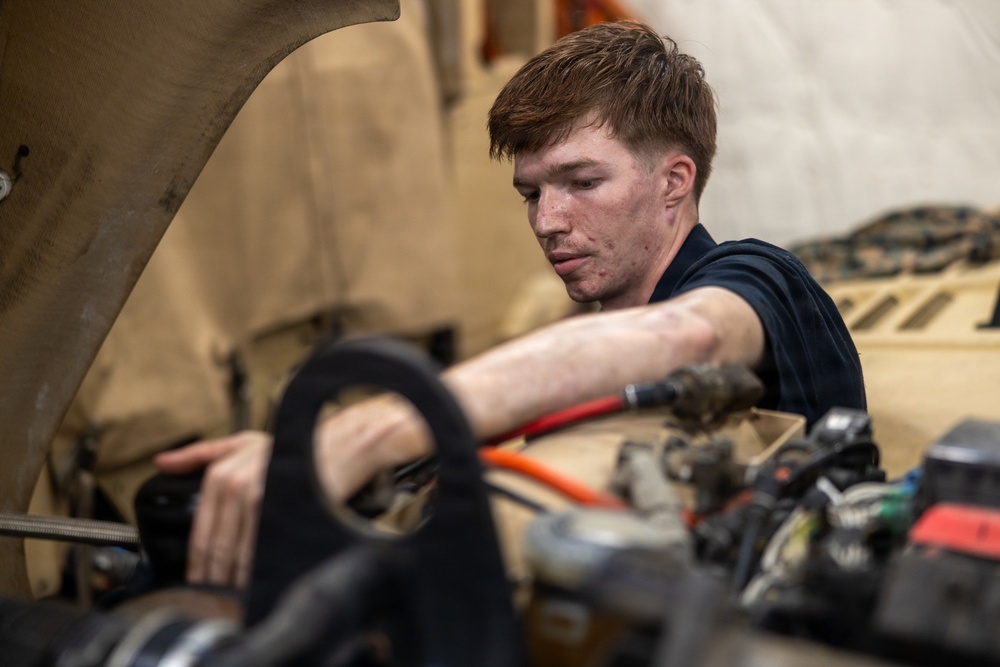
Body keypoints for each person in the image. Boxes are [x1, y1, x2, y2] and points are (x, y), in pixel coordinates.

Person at [155, 20, 865, 588]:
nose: (547, 220)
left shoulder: (759, 276)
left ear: (675, 180)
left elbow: (690, 335)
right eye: (532, 192)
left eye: (581, 181)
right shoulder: (587, 335)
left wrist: (371, 430)